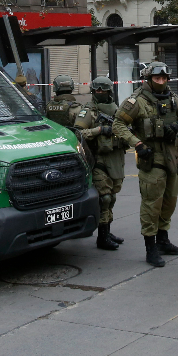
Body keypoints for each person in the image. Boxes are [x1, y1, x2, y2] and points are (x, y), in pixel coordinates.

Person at [113, 61, 178, 267]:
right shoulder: (136, 100)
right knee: (151, 204)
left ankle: (163, 241)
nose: (161, 82)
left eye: (164, 78)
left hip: (171, 157)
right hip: (151, 157)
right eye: (157, 78)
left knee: (169, 201)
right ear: (148, 79)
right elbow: (118, 124)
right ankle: (151, 247)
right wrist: (137, 144)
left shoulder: (172, 97)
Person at [73, 77, 129, 250]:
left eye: (103, 90)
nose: (100, 93)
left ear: (109, 91)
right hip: (99, 159)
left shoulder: (116, 110)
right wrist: (99, 130)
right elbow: (78, 133)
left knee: (111, 197)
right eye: (97, 90)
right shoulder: (89, 111)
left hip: (116, 158)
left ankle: (107, 230)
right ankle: (102, 236)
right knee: (104, 198)